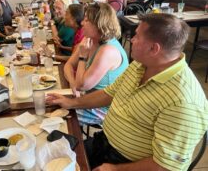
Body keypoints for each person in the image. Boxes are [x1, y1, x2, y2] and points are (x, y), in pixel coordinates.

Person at [47, 13, 208, 170]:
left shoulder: (184, 102)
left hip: (127, 162)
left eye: (137, 36)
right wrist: (71, 102)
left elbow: (166, 166)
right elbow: (108, 94)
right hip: (104, 143)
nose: (131, 39)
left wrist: (116, 169)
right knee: (52, 159)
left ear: (154, 48)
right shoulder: (141, 64)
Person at [64, 3, 128, 125]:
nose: (82, 23)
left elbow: (81, 86)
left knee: (60, 115)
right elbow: (68, 65)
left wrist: (82, 57)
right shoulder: (89, 39)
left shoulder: (107, 50)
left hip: (104, 109)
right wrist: (72, 83)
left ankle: (75, 142)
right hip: (87, 98)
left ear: (99, 24)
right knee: (52, 103)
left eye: (87, 20)